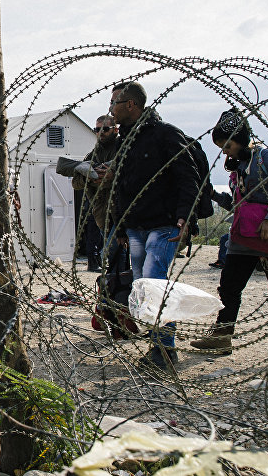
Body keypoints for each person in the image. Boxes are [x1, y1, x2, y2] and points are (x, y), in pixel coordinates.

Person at [190, 109, 268, 364]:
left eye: (228, 145)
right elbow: (238, 206)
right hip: (244, 236)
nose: (226, 152)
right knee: (230, 285)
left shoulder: (267, 158)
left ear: (241, 138)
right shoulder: (240, 168)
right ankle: (222, 335)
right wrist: (212, 194)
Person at [108, 81, 200, 374]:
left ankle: (165, 349)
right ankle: (159, 339)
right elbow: (122, 187)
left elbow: (189, 177)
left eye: (114, 103)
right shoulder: (126, 141)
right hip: (135, 227)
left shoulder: (165, 135)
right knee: (143, 286)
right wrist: (121, 227)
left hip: (164, 225)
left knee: (154, 281)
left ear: (131, 104)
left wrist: (186, 217)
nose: (111, 110)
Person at [72, 115, 119, 271]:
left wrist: (110, 176)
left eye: (105, 129)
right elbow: (76, 182)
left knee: (116, 252)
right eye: (97, 130)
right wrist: (92, 177)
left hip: (120, 210)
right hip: (100, 211)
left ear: (115, 130)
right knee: (111, 252)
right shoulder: (93, 154)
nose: (101, 133)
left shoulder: (123, 149)